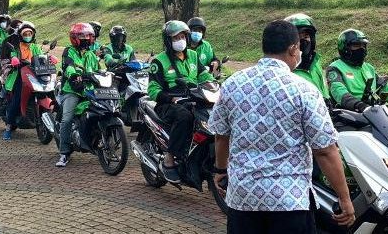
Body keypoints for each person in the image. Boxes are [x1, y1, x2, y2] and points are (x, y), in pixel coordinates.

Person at [208, 20, 356, 233]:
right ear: (293, 48)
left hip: (243, 198)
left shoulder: (233, 84)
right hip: (288, 201)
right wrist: (344, 198)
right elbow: (324, 151)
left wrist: (221, 170)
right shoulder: (303, 90)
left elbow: (221, 136)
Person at [147, 20, 214, 183]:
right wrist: (171, 98)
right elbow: (153, 89)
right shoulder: (159, 61)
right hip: (169, 103)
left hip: (193, 97)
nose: (180, 40)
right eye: (176, 37)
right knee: (185, 117)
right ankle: (169, 158)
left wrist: (215, 86)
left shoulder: (193, 55)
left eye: (183, 36)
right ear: (168, 41)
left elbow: (204, 76)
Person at [327, 29, 388, 112]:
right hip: (349, 113)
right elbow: (338, 91)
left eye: (363, 45)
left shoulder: (368, 68)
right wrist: (358, 105)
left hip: (372, 111)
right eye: (356, 45)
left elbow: (384, 88)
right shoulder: (335, 68)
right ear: (344, 47)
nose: (361, 49)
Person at [55, 22, 99, 167]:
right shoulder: (69, 51)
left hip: (90, 90)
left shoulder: (92, 55)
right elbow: (68, 66)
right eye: (82, 36)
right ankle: (64, 153)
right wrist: (74, 75)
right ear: (74, 38)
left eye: (88, 36)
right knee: (67, 119)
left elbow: (99, 70)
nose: (86, 39)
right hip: (72, 90)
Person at [0, 21, 41, 140]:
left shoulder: (35, 47)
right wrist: (14, 60)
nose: (28, 36)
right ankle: (8, 127)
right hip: (20, 75)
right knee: (17, 99)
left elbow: (41, 56)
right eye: (25, 33)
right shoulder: (16, 47)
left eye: (30, 33)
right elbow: (13, 55)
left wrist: (49, 60)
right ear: (21, 35)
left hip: (35, 75)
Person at [285, 13, 330, 102]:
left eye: (306, 36)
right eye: (298, 37)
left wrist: (327, 100)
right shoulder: (287, 70)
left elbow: (323, 89)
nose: (303, 41)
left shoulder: (315, 63)